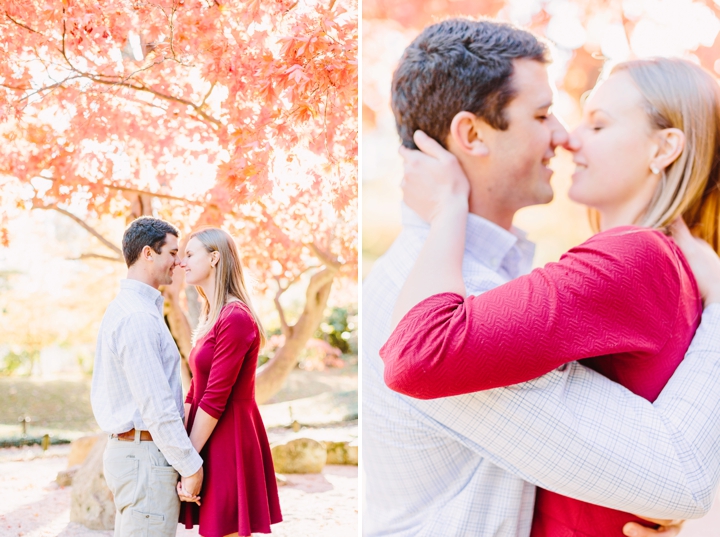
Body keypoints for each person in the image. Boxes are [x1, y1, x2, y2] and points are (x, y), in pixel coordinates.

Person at [362, 18, 720, 537]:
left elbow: (657, 477)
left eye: (595, 124)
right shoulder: (434, 294)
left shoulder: (494, 274)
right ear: (471, 135)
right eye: (542, 114)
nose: (565, 136)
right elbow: (674, 479)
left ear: (665, 148)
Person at [92, 216, 203, 536]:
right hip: (145, 457)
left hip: (138, 455)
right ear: (147, 254)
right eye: (172, 252)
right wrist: (190, 466)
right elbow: (156, 405)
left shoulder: (132, 309)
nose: (179, 261)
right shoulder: (138, 317)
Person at [177, 227, 282, 537]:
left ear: (214, 258)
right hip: (207, 435)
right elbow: (197, 386)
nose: (182, 262)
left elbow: (215, 397)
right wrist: (179, 446)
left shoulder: (235, 317)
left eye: (189, 254)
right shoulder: (212, 315)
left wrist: (189, 460)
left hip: (229, 438)